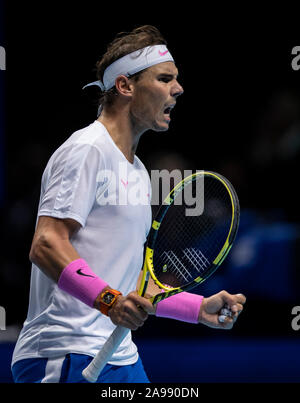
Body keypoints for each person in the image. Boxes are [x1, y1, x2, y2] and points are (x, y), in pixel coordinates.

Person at [11, 25, 246, 383]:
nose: (178, 89)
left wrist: (197, 309)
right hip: (66, 353)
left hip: (120, 356)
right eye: (165, 78)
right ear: (125, 86)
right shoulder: (86, 150)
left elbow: (131, 280)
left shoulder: (136, 170)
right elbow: (46, 244)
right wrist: (108, 302)